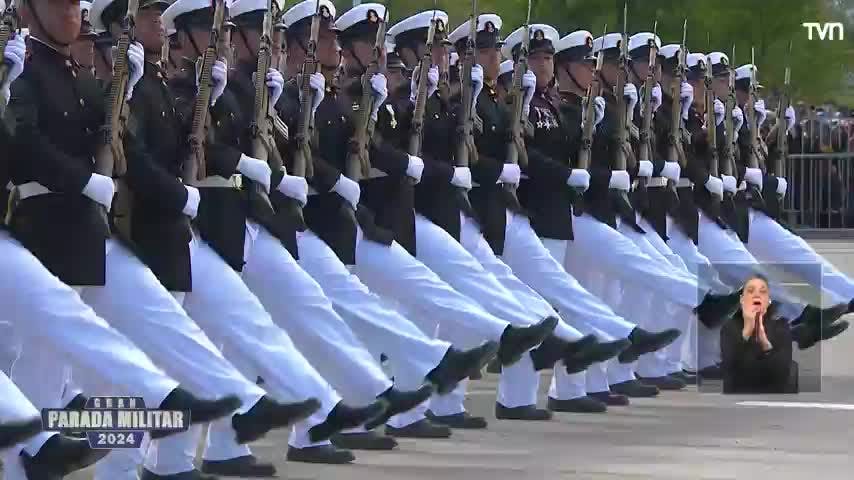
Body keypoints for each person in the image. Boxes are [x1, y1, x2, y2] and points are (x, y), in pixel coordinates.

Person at [721, 274, 796, 394]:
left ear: (768, 300)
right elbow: (729, 368)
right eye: (750, 291)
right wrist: (747, 330)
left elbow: (783, 372)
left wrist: (764, 342)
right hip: (737, 398)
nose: (756, 295)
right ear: (742, 299)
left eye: (762, 292)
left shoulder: (781, 326)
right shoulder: (729, 327)